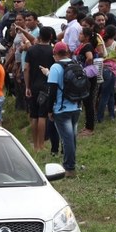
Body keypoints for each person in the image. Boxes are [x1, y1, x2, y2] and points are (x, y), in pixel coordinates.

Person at [46, 44, 81, 178]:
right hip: (76, 107)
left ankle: (69, 168)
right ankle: (71, 163)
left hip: (61, 109)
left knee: (67, 139)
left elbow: (52, 91)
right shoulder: (75, 63)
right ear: (67, 52)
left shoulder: (55, 67)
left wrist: (49, 110)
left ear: (55, 54)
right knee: (71, 138)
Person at [25, 27, 57, 150]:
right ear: (50, 37)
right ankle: (42, 144)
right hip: (47, 85)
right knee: (42, 116)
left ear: (39, 36)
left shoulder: (31, 50)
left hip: (33, 85)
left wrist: (27, 86)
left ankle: (35, 145)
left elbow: (26, 68)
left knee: (33, 115)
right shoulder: (53, 51)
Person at [97, 25, 116, 122]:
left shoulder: (101, 43)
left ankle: (112, 114)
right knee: (105, 94)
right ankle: (100, 117)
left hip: (101, 69)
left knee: (110, 93)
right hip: (111, 71)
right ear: (115, 34)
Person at [75, 27, 98, 136]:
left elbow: (89, 57)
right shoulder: (82, 46)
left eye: (81, 34)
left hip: (88, 76)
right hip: (84, 76)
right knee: (86, 101)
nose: (79, 35)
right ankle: (87, 125)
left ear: (87, 36)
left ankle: (90, 127)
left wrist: (85, 67)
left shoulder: (88, 46)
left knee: (88, 101)